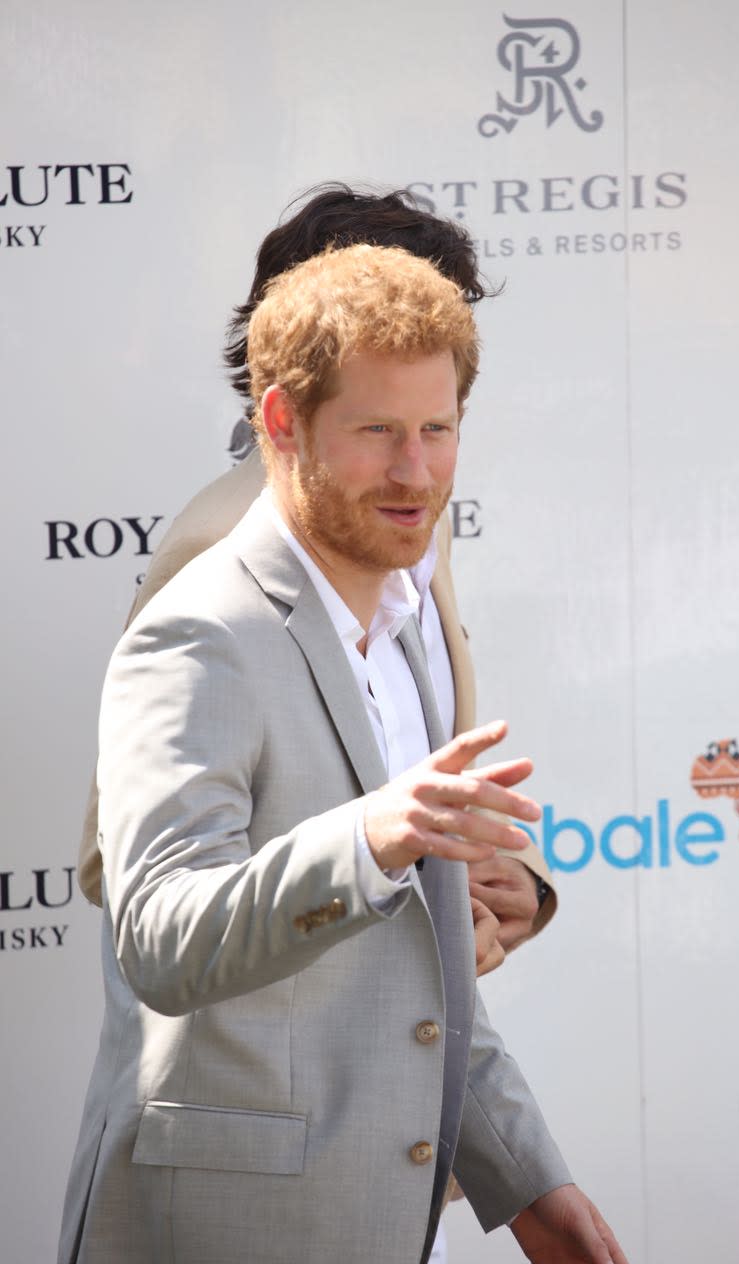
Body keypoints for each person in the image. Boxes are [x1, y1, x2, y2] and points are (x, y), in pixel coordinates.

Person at [58, 245, 634, 1264]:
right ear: (282, 423)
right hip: (225, 1240)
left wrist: (529, 1185)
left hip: (395, 1227)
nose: (416, 471)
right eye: (377, 432)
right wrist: (372, 834)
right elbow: (158, 936)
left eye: (438, 429)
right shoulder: (200, 634)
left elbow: (426, 974)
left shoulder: (410, 626)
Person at [76, 186, 558, 951]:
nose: (431, 335)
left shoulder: (408, 511)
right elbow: (126, 873)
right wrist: (376, 876)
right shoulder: (216, 552)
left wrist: (508, 877)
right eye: (392, 317)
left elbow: (407, 765)